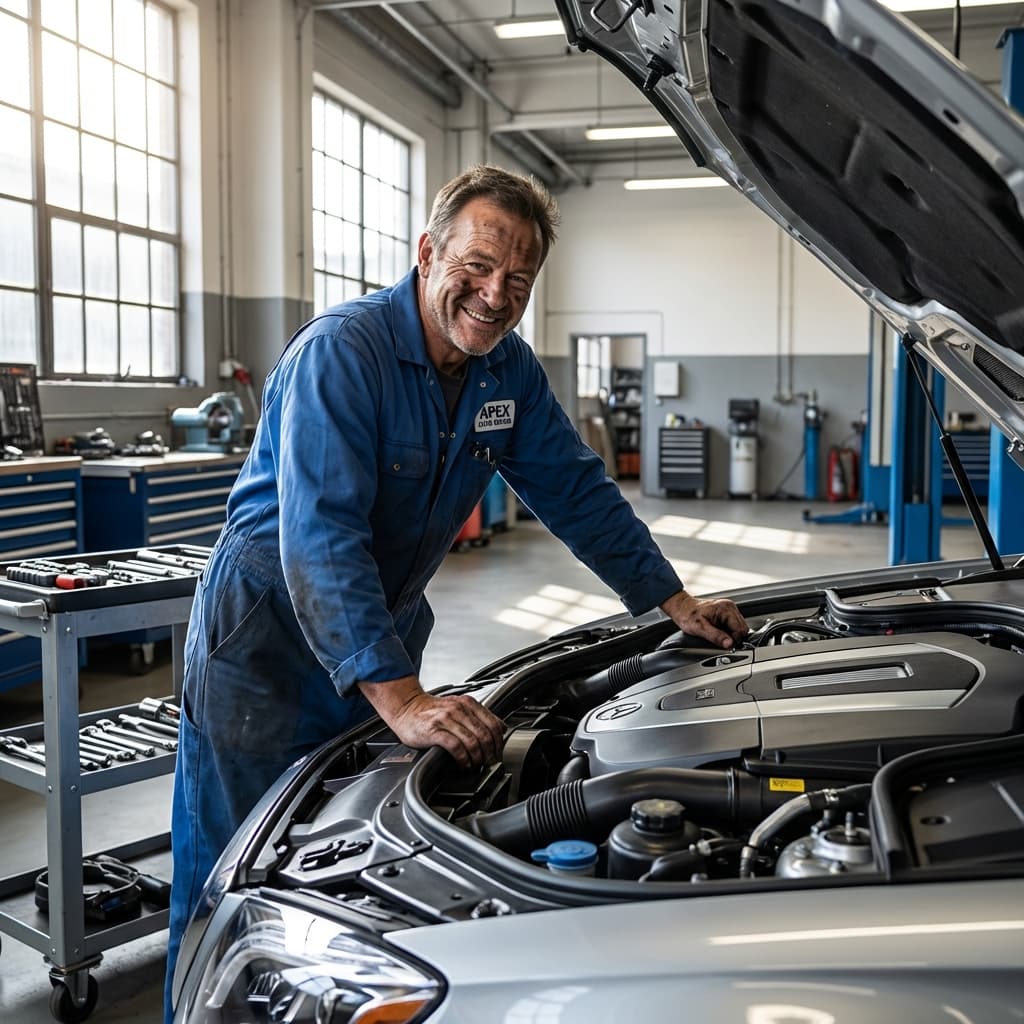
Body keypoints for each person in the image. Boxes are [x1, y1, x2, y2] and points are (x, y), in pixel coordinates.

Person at [164, 164, 748, 1019]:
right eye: (476, 265)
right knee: (230, 870)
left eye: (518, 280)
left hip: (379, 629)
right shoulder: (343, 352)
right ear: (428, 252)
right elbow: (320, 536)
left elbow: (574, 488)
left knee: (332, 855)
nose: (493, 293)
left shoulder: (503, 372)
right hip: (264, 642)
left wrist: (671, 602)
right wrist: (399, 696)